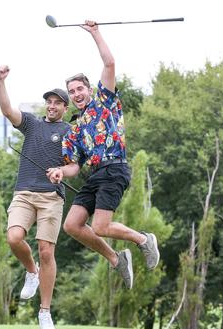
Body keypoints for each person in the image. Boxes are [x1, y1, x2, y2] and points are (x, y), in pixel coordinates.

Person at [46, 20, 159, 290]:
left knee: (100, 226)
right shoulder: (74, 130)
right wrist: (62, 172)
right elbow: (74, 166)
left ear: (89, 89)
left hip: (115, 169)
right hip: (95, 175)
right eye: (72, 92)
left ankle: (144, 240)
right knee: (72, 225)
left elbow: (109, 64)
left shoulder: (105, 100)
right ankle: (116, 259)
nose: (76, 94)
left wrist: (96, 33)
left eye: (80, 89)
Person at [0, 65, 70, 329]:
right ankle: (31, 272)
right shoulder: (32, 124)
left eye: (57, 103)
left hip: (51, 196)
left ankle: (45, 311)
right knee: (14, 237)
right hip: (24, 192)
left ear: (65, 107)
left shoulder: (69, 131)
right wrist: (0, 81)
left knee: (46, 251)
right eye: (49, 102)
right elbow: (7, 111)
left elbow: (75, 164)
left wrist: (61, 171)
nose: (51, 106)